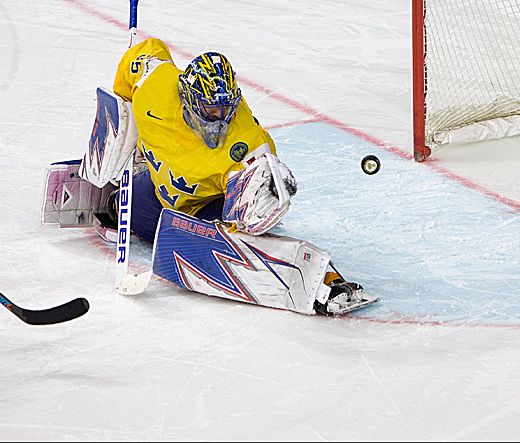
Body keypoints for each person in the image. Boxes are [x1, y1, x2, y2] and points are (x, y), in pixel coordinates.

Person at [58, 36, 373, 316]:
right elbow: (141, 56)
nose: (220, 121)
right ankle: (121, 205)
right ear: (187, 98)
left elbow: (253, 196)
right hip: (160, 192)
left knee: (243, 242)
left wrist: (261, 199)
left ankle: (327, 281)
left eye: (226, 110)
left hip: (208, 209)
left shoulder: (247, 143)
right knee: (122, 207)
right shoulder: (155, 84)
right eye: (210, 111)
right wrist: (124, 108)